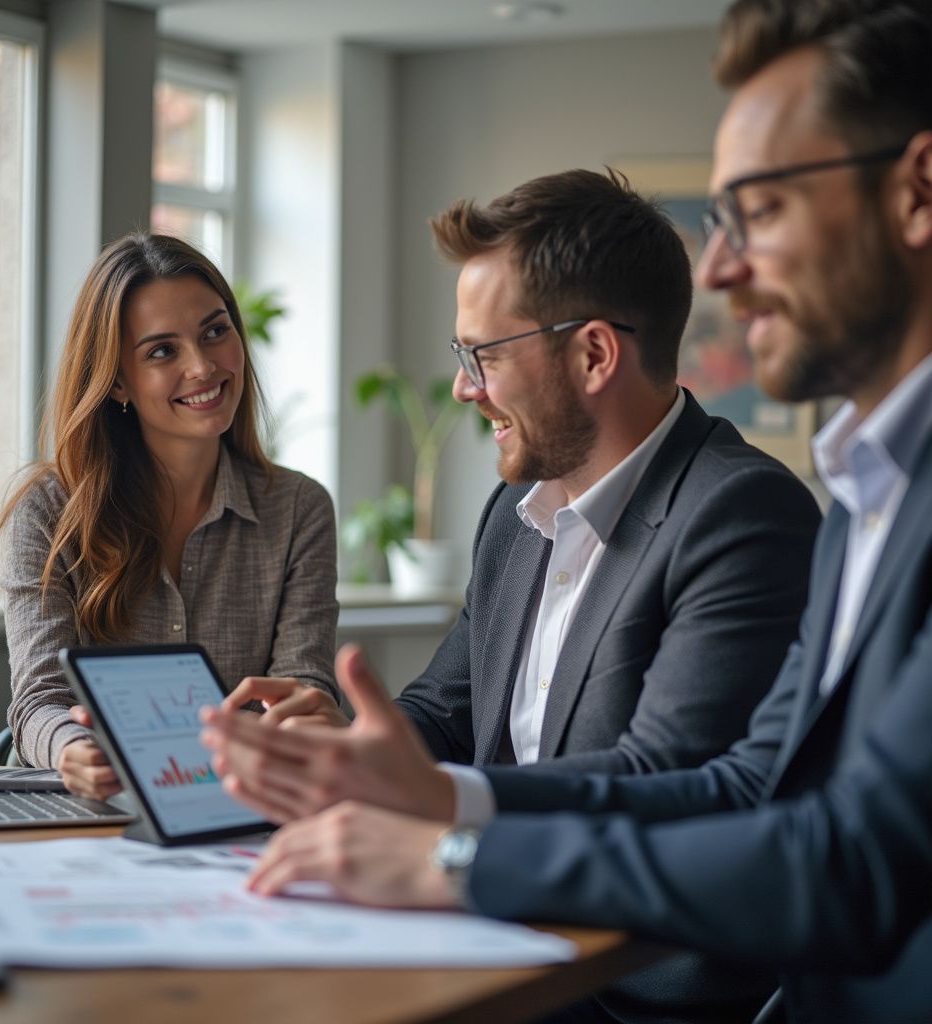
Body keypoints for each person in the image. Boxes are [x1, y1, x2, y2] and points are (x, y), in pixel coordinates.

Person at [201, 1, 932, 1021]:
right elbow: (739, 786)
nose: (716, 269)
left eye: (757, 212)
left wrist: (455, 852)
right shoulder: (866, 495)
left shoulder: (752, 512)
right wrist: (399, 774)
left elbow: (823, 848)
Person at [224, 169, 819, 796]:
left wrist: (454, 807)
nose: (463, 388)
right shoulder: (515, 511)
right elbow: (441, 718)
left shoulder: (742, 516)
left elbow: (664, 780)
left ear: (594, 356)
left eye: (486, 355)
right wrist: (346, 746)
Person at [0, 233, 338, 799]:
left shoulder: (300, 509)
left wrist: (298, 718)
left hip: (243, 809)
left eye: (215, 332)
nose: (203, 367)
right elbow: (39, 701)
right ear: (117, 380)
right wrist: (71, 750)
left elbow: (303, 686)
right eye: (161, 351)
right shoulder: (50, 513)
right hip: (97, 815)